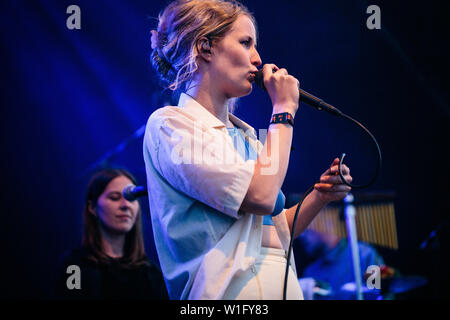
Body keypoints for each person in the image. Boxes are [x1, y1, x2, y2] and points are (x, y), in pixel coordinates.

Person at [144, 0, 353, 300]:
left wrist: (320, 196)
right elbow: (261, 196)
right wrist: (283, 110)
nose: (258, 59)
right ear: (205, 47)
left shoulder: (247, 136)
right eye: (246, 43)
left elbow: (276, 233)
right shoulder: (170, 125)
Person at [56, 168, 169, 300]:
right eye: (114, 198)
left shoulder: (151, 273)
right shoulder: (74, 266)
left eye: (132, 199)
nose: (125, 205)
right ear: (92, 207)